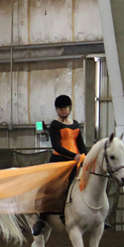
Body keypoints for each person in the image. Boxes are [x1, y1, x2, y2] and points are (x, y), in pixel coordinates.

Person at [31, 94, 88, 236]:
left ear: (70, 108)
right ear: (57, 109)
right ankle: (41, 219)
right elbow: (57, 146)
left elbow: (81, 145)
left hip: (75, 162)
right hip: (59, 161)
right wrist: (74, 156)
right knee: (49, 189)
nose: (63, 110)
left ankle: (96, 216)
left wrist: (86, 156)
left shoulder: (75, 124)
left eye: (65, 107)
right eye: (60, 108)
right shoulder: (54, 125)